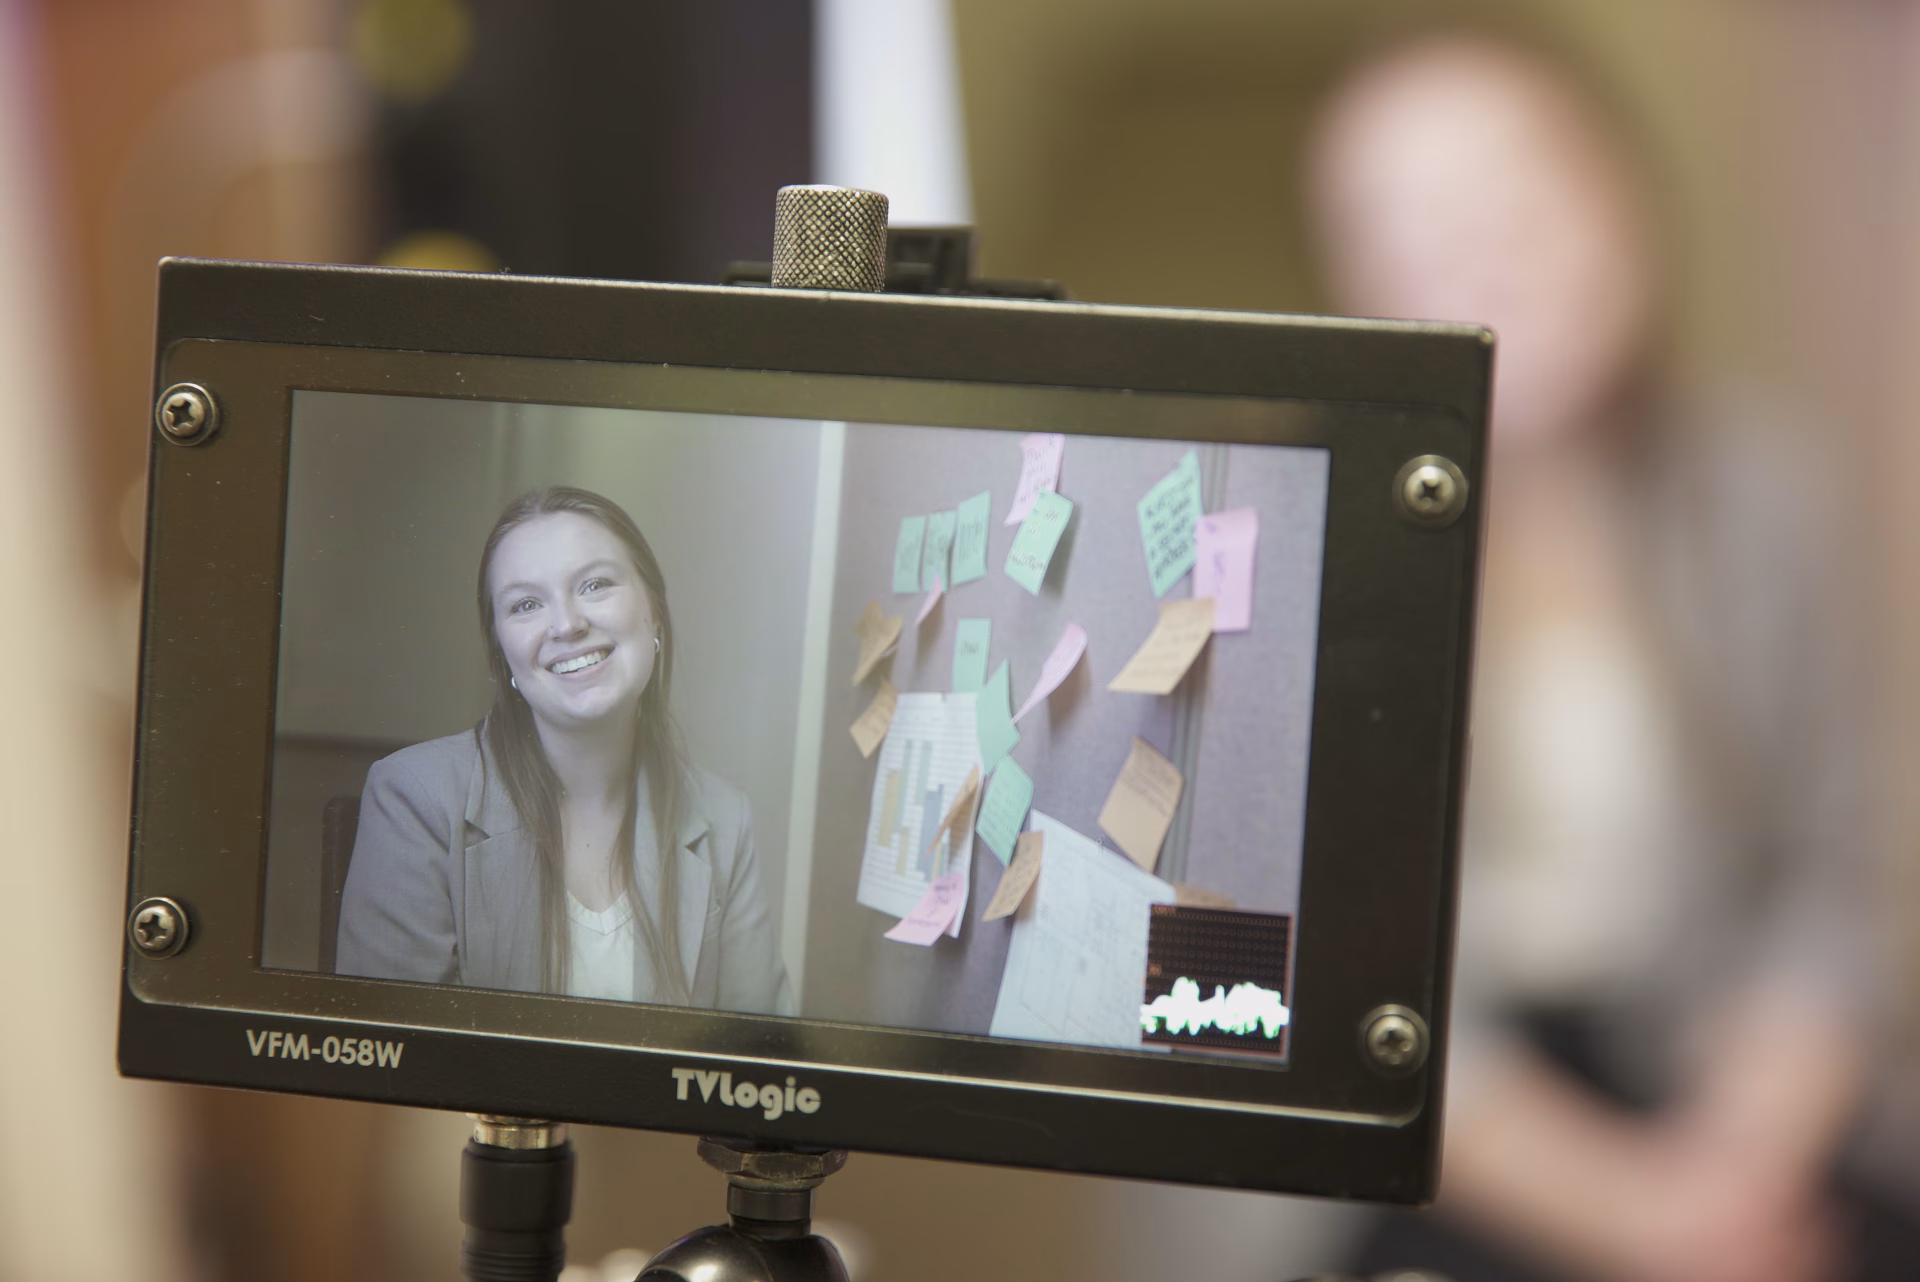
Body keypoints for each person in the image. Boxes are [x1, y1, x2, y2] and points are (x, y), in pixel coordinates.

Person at [1306, 34, 1915, 1282]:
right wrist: (1633, 1218)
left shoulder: (1761, 498)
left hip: (1719, 1076)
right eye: (1412, 224)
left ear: (1626, 193)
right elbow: (1328, 970)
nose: (1485, 251)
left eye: (1518, 190)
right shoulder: (1306, 558)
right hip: (1444, 1129)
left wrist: (1746, 1155)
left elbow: (1841, 873)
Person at [337, 485, 793, 1015]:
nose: (567, 624)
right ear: (502, 651)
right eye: (526, 604)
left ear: (654, 613)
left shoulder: (724, 817)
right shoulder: (415, 797)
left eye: (595, 584)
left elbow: (758, 1049)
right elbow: (399, 1051)